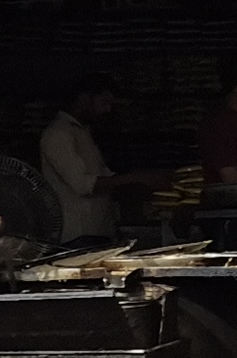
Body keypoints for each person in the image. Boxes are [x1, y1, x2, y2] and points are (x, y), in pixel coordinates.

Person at [37, 77, 157, 242]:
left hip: (98, 231)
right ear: (85, 99)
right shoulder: (58, 134)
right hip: (77, 235)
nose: (107, 110)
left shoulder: (82, 132)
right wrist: (134, 178)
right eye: (104, 103)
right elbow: (82, 184)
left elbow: (104, 177)